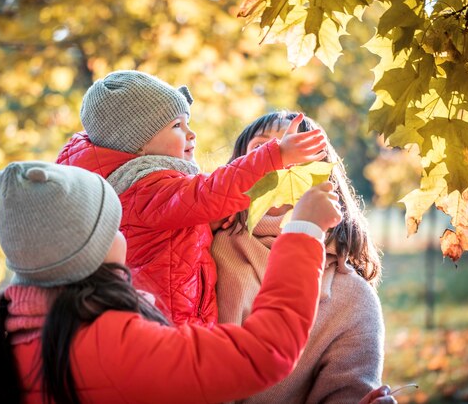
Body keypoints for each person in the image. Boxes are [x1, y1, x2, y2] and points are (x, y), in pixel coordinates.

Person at [0, 160, 342, 404]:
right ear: (87, 250)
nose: (124, 235)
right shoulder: (112, 345)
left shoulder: (14, 331)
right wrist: (303, 230)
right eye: (113, 227)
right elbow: (264, 353)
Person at [56, 70, 327, 326]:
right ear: (139, 144)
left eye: (188, 122)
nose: (191, 134)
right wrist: (274, 156)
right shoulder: (144, 187)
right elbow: (208, 193)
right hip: (169, 324)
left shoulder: (133, 184)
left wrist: (204, 225)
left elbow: (173, 226)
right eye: (177, 125)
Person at [212, 111, 387, 404]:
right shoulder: (198, 247)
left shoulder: (352, 298)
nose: (278, 157)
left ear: (323, 176)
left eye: (298, 148)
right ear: (236, 166)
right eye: (260, 148)